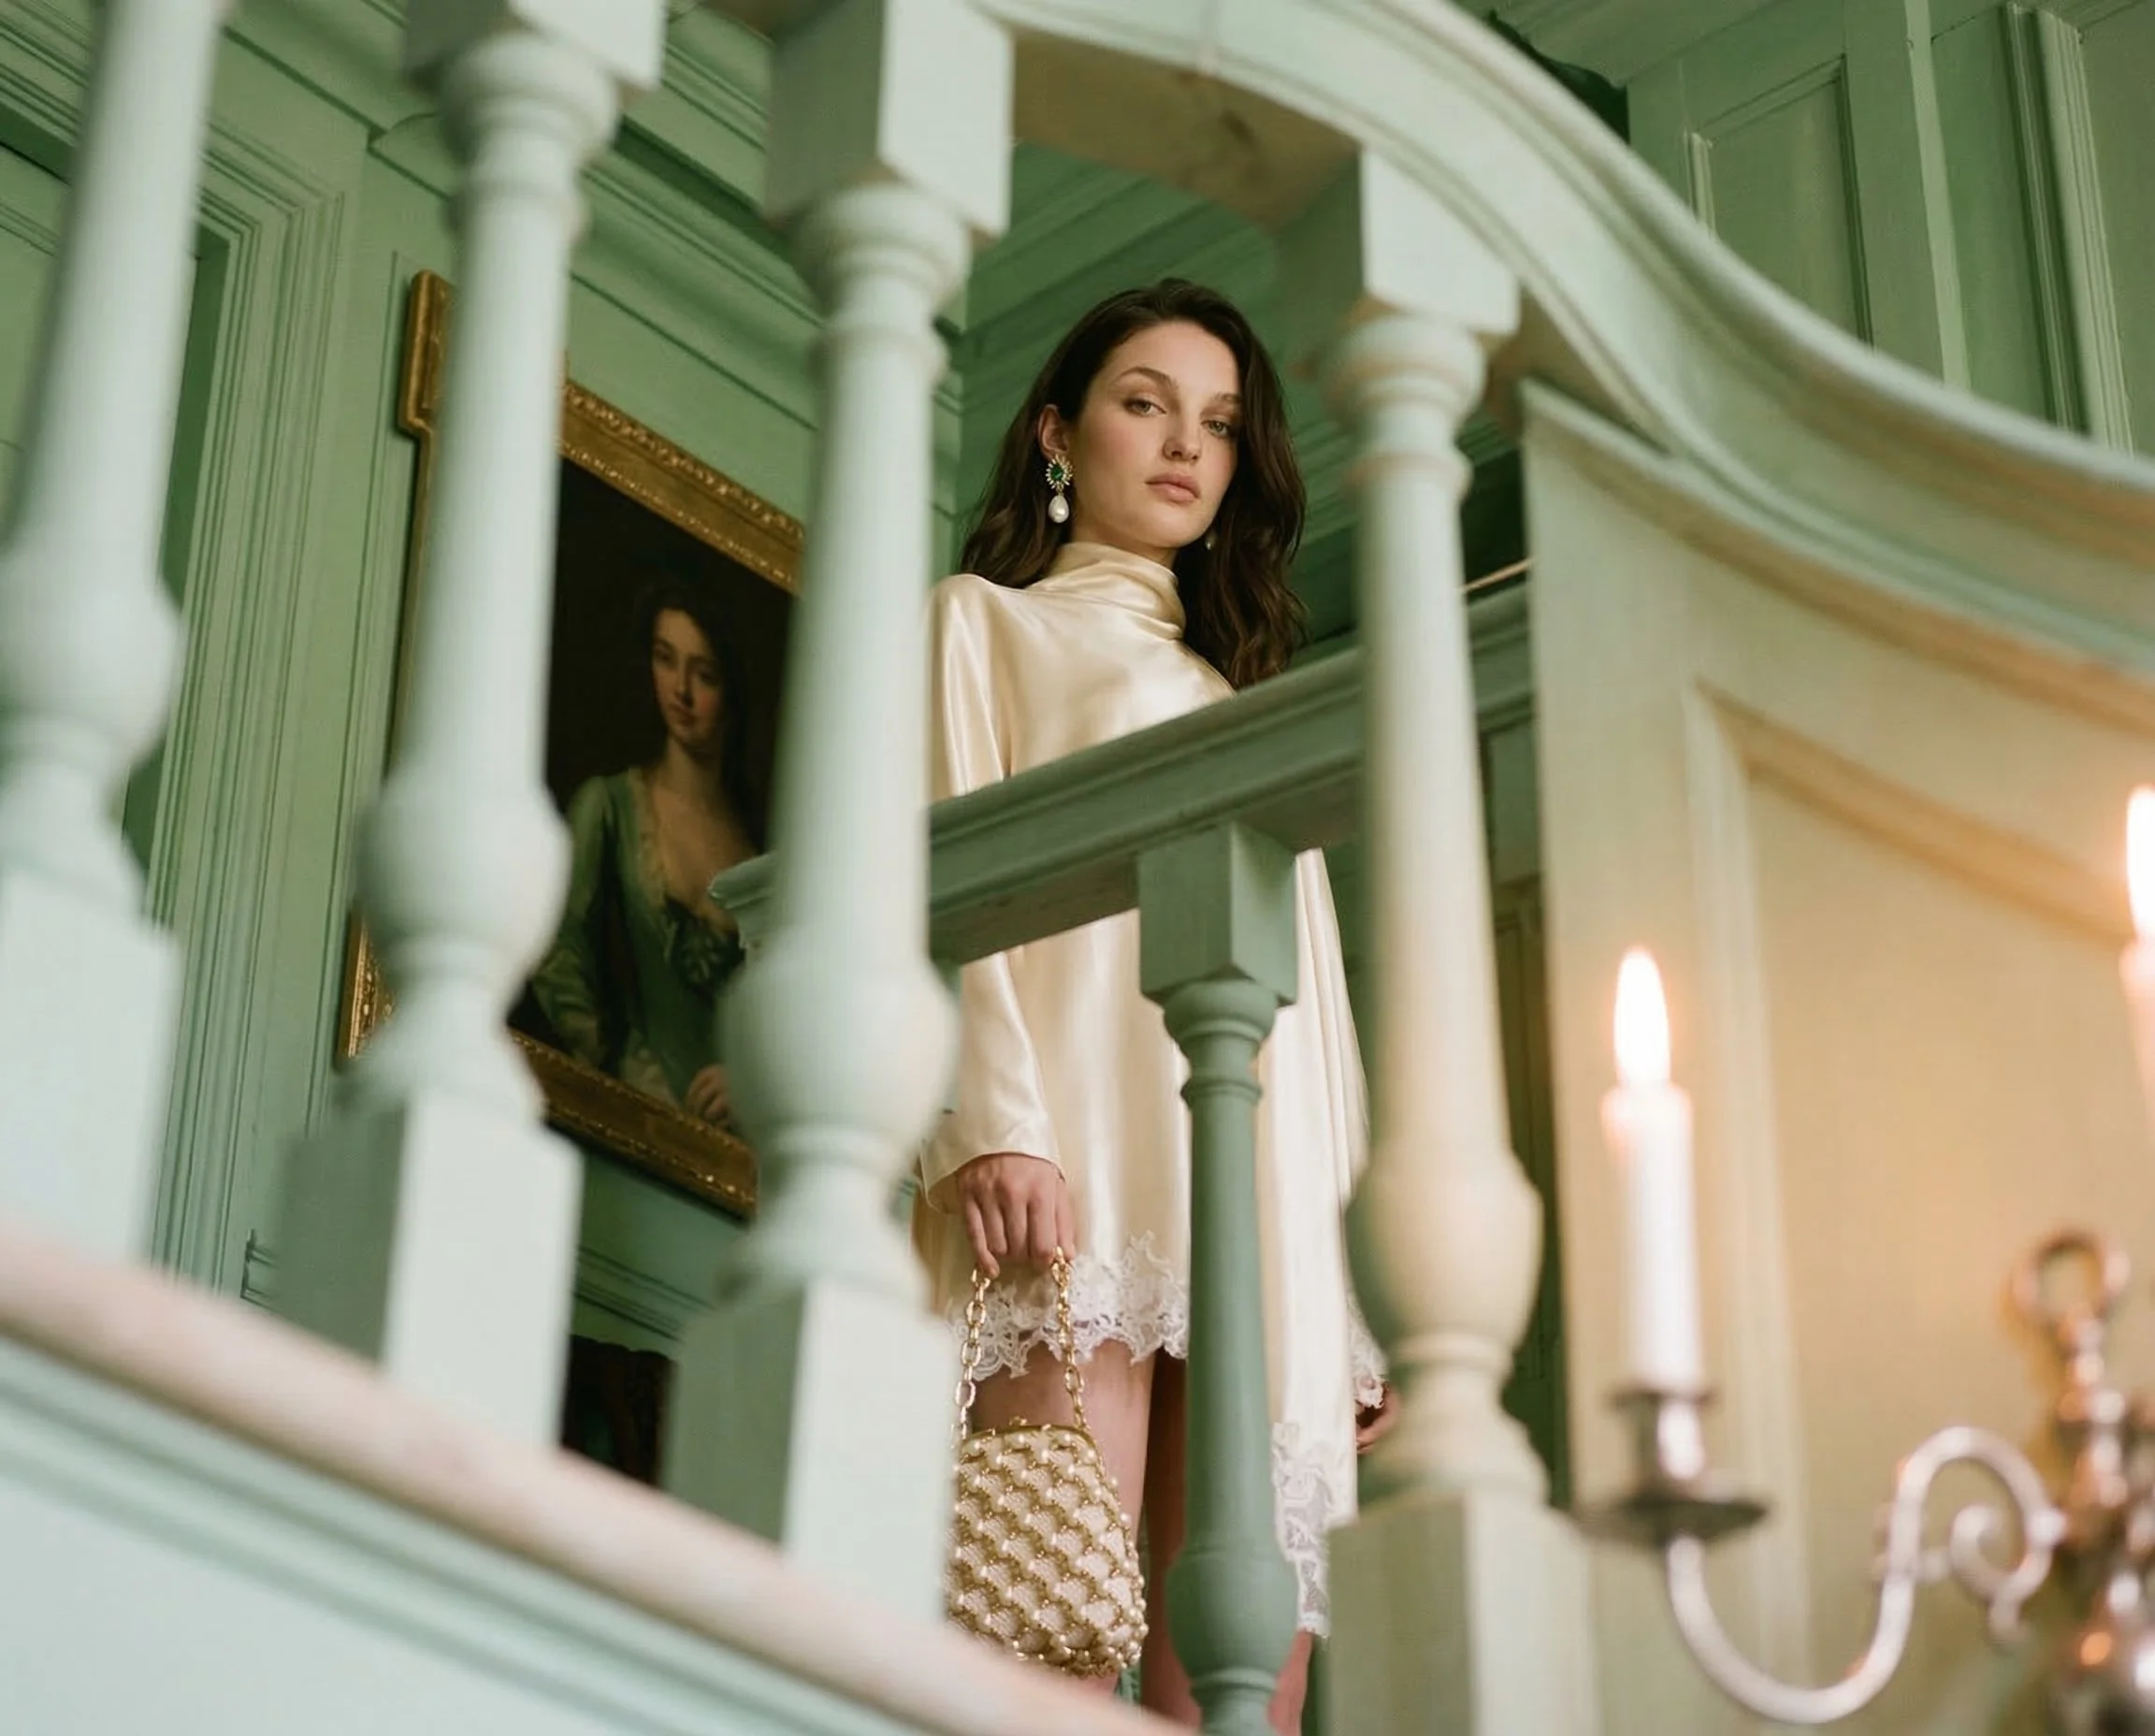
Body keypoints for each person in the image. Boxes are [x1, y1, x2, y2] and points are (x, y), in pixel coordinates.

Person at [916, 280, 1384, 1731]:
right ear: (1059, 433)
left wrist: (1364, 1296)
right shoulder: (982, 626)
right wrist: (994, 1121)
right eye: (1145, 402)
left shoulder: (1242, 697)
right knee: (1038, 1607)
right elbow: (930, 855)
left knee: (1244, 1672)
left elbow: (1321, 1020)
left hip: (1262, 1190)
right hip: (1079, 1159)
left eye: (1222, 424)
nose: (1187, 445)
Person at [528, 571, 760, 1127]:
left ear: (731, 688)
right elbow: (557, 952)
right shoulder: (609, 806)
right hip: (634, 1111)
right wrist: (619, 1068)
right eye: (664, 659)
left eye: (703, 673)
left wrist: (752, 1080)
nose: (680, 690)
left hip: (741, 1147)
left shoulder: (759, 848)